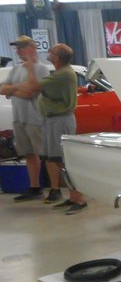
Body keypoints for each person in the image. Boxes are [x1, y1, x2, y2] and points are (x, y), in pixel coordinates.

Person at [18, 43, 87, 214]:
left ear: (58, 57)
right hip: (53, 120)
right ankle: (72, 196)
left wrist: (31, 67)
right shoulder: (60, 72)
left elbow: (33, 87)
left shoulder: (63, 74)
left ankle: (79, 199)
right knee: (57, 160)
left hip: (60, 121)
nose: (49, 52)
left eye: (52, 51)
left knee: (65, 161)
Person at [0, 35, 49, 201]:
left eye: (22, 46)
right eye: (17, 47)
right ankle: (34, 186)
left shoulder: (41, 69)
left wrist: (12, 90)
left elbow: (31, 92)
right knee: (28, 153)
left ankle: (53, 187)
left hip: (35, 117)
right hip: (19, 117)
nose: (19, 50)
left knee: (43, 153)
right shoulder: (15, 69)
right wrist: (17, 87)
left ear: (32, 47)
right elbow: (2, 89)